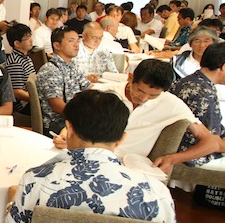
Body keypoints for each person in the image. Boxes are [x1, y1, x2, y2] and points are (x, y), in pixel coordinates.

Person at [4, 89, 176, 223]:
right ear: (122, 138)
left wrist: (12, 202)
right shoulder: (157, 191)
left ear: (69, 129)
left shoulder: (36, 180)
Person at [86, 59, 220, 174]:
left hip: (131, 168)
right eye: (139, 90)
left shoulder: (170, 103)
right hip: (91, 158)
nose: (143, 98)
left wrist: (172, 159)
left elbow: (213, 142)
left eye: (153, 95)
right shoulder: (103, 93)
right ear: (130, 78)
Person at [171, 43, 225, 171]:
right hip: (192, 152)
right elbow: (213, 142)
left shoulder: (188, 81)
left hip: (182, 142)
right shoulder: (205, 95)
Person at [37, 27, 91, 135]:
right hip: (57, 123)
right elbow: (57, 105)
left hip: (73, 117)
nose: (76, 45)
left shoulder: (72, 65)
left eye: (77, 41)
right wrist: (83, 117)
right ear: (57, 45)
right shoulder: (50, 69)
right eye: (71, 41)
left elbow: (88, 88)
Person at [5, 24, 35, 117]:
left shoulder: (26, 58)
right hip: (23, 104)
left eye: (30, 37)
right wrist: (36, 99)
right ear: (17, 43)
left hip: (31, 98)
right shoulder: (15, 62)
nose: (31, 40)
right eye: (27, 39)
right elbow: (17, 92)